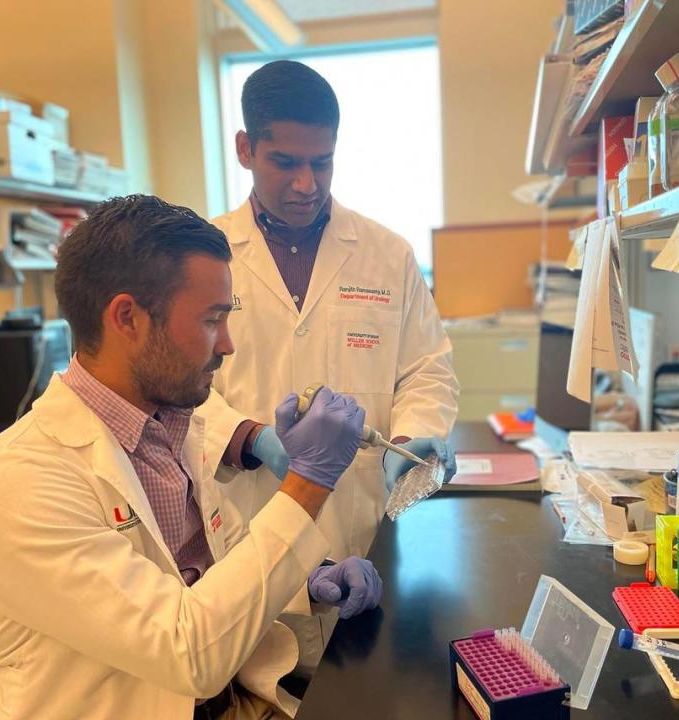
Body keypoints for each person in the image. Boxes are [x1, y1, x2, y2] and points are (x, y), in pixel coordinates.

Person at [0, 195, 383, 720]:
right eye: (211, 320)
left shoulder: (177, 430)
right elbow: (187, 651)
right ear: (127, 318)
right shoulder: (17, 482)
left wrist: (303, 586)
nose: (227, 345)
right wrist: (307, 486)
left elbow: (202, 588)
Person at [197, 59, 460, 673]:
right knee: (261, 686)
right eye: (284, 162)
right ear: (245, 149)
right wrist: (250, 438)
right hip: (246, 523)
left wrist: (410, 437)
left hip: (363, 525)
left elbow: (427, 367)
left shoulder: (386, 254)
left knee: (369, 685)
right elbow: (174, 392)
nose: (306, 183)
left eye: (322, 161)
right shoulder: (203, 256)